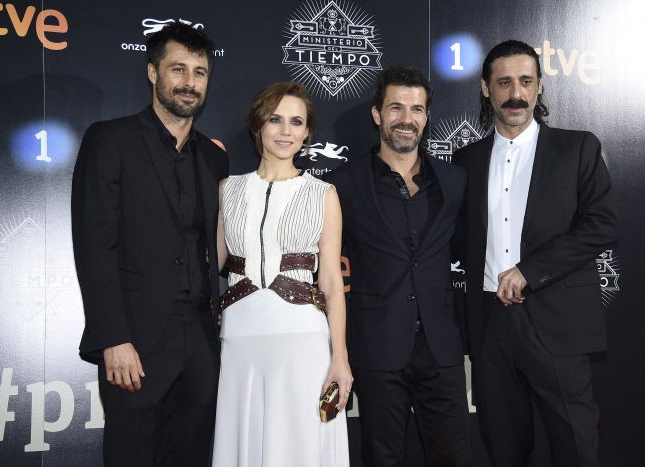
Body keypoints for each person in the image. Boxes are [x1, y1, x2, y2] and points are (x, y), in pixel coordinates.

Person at [454, 40, 617, 467]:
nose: (516, 93)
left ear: (540, 87)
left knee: (576, 448)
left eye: (526, 81)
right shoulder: (464, 161)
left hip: (558, 324)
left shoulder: (577, 148)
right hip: (490, 327)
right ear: (486, 90)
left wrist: (529, 270)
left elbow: (601, 225)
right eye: (504, 82)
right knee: (503, 448)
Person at [71, 22, 227, 466]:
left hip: (200, 335)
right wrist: (113, 338)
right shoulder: (110, 141)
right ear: (152, 72)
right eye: (178, 69)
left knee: (193, 455)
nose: (189, 82)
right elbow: (94, 244)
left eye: (199, 72)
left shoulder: (214, 158)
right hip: (135, 337)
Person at [324, 66, 470, 467]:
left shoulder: (455, 181)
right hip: (377, 344)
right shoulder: (343, 184)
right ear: (377, 114)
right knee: (382, 458)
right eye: (396, 108)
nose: (407, 120)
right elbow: (329, 273)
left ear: (426, 117)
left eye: (417, 109)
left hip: (440, 347)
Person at [212, 82, 351, 466]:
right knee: (246, 441)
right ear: (259, 125)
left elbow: (331, 285)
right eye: (276, 119)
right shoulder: (228, 190)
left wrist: (339, 357)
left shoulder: (323, 193)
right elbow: (212, 267)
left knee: (300, 445)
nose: (286, 131)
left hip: (303, 339)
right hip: (240, 338)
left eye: (296, 122)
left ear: (307, 132)